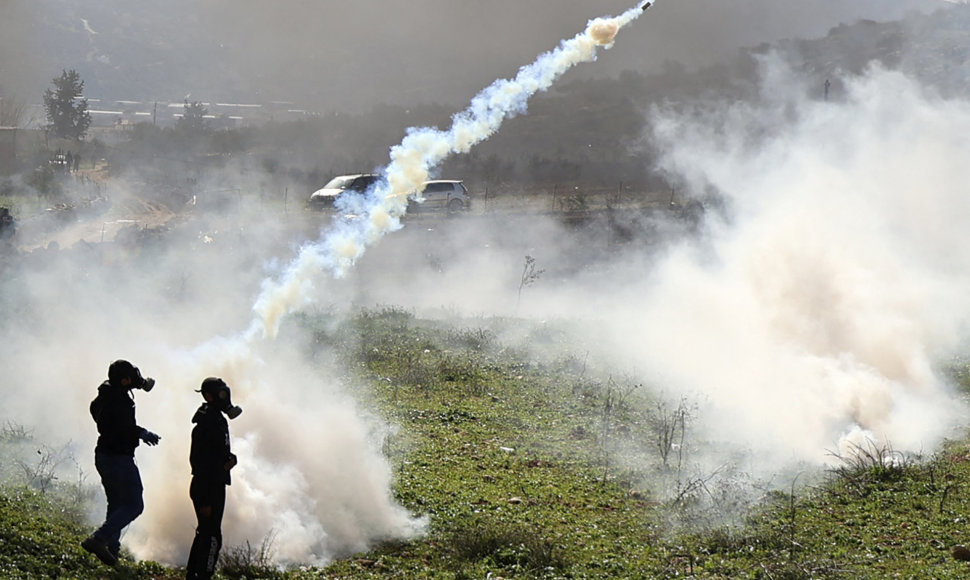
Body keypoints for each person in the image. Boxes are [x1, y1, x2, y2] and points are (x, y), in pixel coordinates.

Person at [81, 359, 161, 566]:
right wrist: (141, 432)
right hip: (118, 458)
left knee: (116, 504)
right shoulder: (119, 400)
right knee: (134, 505)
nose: (136, 379)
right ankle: (99, 539)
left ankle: (111, 553)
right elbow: (122, 427)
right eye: (131, 377)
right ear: (124, 380)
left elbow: (107, 420)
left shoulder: (105, 395)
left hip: (104, 455)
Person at [185, 377, 242, 580]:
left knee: (205, 532)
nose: (225, 398)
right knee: (212, 536)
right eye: (220, 394)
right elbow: (200, 462)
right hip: (207, 486)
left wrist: (229, 459)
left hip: (212, 483)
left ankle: (193, 574)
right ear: (209, 396)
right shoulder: (206, 423)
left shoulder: (215, 419)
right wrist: (206, 499)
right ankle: (204, 574)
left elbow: (216, 453)